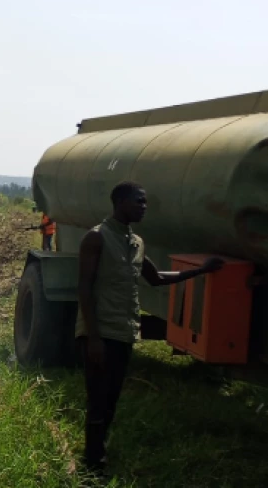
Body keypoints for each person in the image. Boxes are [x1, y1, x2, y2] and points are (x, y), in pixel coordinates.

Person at [75, 181, 223, 474]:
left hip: (124, 332)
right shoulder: (97, 238)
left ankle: (97, 455)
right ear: (120, 203)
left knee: (111, 399)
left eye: (145, 202)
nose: (144, 207)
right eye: (138, 201)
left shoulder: (135, 242)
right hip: (100, 332)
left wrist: (201, 271)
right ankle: (93, 465)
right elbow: (84, 288)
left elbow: (156, 278)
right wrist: (93, 338)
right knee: (98, 399)